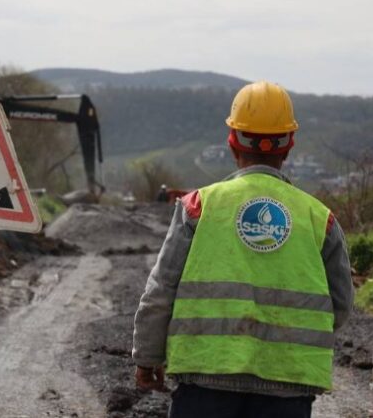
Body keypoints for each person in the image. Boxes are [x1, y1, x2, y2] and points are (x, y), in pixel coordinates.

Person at [132, 81, 353, 418]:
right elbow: (340, 304)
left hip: (204, 379)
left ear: (232, 141)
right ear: (288, 145)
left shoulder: (198, 207)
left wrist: (147, 358)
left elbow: (161, 291)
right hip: (288, 386)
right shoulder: (319, 219)